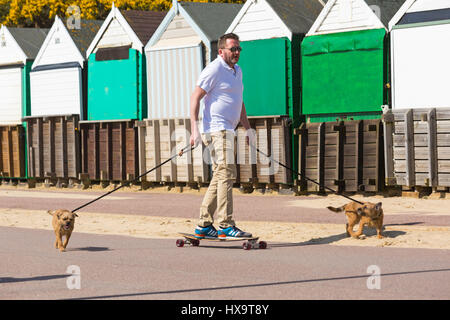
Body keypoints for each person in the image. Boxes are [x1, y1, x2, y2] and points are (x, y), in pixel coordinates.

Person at [189, 33, 255, 239]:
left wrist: (247, 128)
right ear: (221, 51)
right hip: (216, 129)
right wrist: (194, 129)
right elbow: (195, 97)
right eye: (232, 49)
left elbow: (238, 101)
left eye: (238, 49)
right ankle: (226, 224)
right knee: (227, 173)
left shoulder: (238, 71)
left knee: (221, 175)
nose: (236, 53)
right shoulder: (214, 69)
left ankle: (204, 224)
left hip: (229, 129)